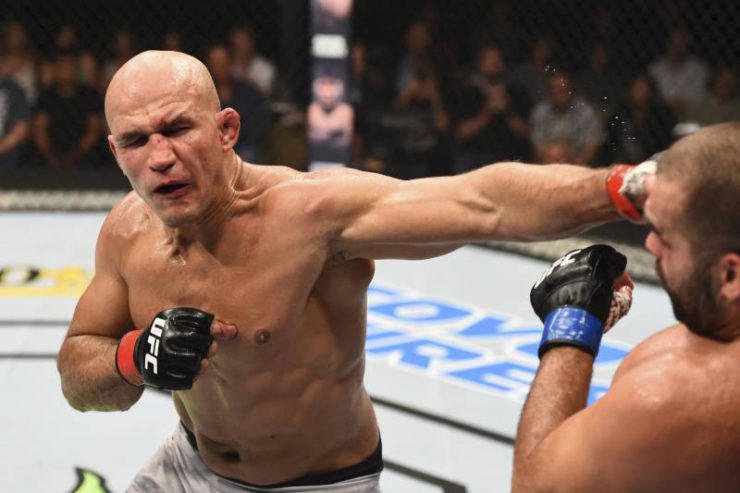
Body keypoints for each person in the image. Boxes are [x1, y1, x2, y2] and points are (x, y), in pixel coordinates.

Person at [56, 51, 647, 493]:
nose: (160, 157)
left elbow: (483, 203)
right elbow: (77, 373)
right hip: (189, 466)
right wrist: (133, 357)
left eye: (178, 129)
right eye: (136, 141)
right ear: (115, 152)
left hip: (320, 484)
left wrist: (627, 188)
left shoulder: (310, 216)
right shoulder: (127, 231)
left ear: (226, 130)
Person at [513, 123, 740, 492]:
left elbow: (535, 487)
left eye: (666, 238)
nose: (650, 246)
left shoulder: (679, 395)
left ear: (730, 275)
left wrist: (572, 327)